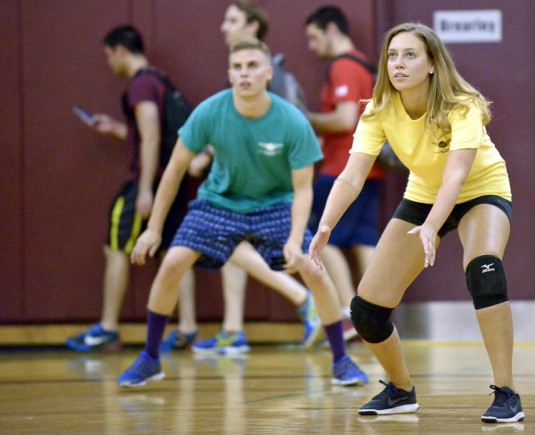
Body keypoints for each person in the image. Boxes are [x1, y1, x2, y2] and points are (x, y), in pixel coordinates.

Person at [117, 38, 369, 388]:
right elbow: (174, 170)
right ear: (230, 74)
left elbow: (302, 189)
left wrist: (296, 240)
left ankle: (342, 360)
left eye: (252, 66)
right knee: (173, 261)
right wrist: (154, 228)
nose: (244, 73)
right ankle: (149, 358)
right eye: (237, 67)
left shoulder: (291, 120)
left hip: (275, 203)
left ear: (268, 73)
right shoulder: (209, 112)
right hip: (219, 202)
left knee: (313, 268)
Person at [309, 22, 525, 423]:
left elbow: (457, 176)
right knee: (366, 310)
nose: (399, 63)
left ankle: (507, 393)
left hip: (481, 190)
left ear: (431, 64)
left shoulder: (462, 105)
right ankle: (400, 390)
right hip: (423, 195)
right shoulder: (378, 110)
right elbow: (351, 177)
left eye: (410, 55)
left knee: (484, 269)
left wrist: (431, 227)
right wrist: (325, 226)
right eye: (392, 55)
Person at [176, 0, 321, 355]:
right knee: (228, 243)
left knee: (300, 248)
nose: (224, 27)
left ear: (253, 27)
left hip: (277, 190)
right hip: (238, 190)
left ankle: (310, 301)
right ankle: (232, 329)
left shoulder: (277, 81)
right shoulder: (235, 79)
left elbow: (280, 133)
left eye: (233, 20)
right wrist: (208, 153)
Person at [66, 25, 198, 352]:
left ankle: (109, 328)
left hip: (151, 181)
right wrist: (116, 130)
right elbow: (152, 135)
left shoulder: (140, 85)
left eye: (109, 55)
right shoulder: (159, 79)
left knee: (115, 247)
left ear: (121, 51)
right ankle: (188, 327)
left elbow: (152, 136)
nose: (110, 63)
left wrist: (144, 189)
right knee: (174, 251)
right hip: (175, 178)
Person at [304, 6, 385, 335]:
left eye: (314, 37)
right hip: (372, 169)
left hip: (344, 167)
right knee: (364, 238)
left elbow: (343, 119)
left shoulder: (344, 66)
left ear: (332, 30)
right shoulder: (365, 65)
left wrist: (304, 117)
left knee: (324, 239)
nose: (311, 46)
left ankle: (352, 315)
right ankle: (378, 312)